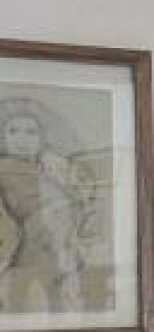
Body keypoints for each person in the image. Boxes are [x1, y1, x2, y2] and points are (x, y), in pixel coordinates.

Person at [0, 98, 88, 312]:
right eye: (13, 131)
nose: (22, 138)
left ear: (42, 138)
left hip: (61, 257)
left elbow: (79, 208)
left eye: (31, 132)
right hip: (20, 259)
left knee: (63, 309)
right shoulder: (3, 170)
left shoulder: (54, 170)